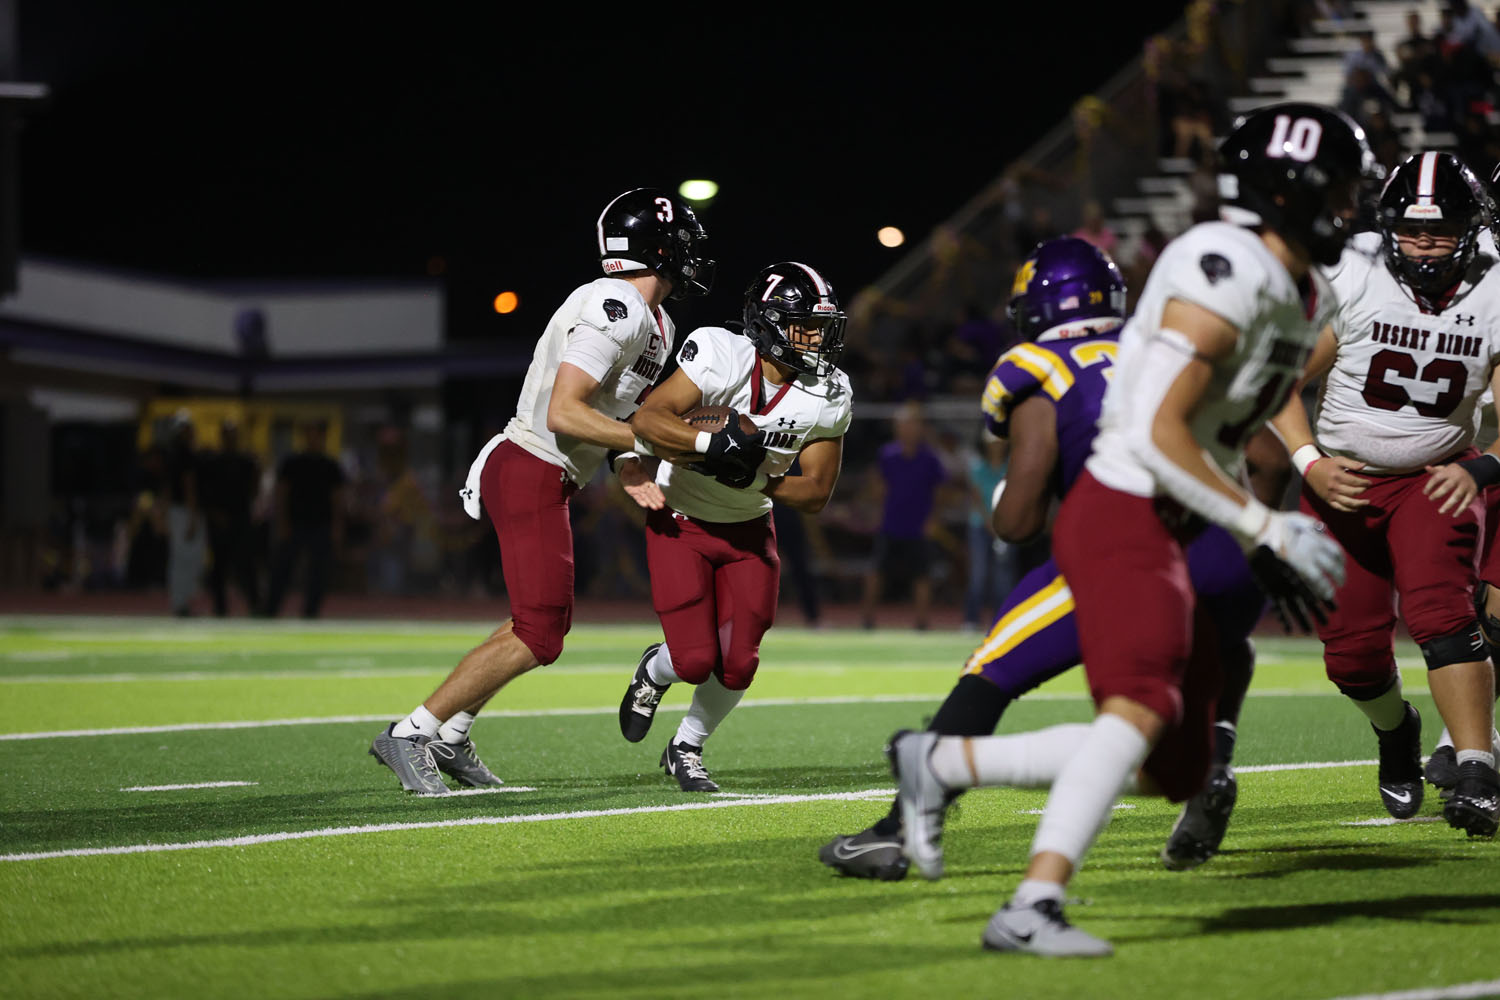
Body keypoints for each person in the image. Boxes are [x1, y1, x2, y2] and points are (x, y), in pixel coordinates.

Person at [887, 103, 1374, 957]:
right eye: (1334, 190)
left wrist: (1260, 523)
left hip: (1181, 514)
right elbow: (1156, 432)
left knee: (1175, 769)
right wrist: (1264, 523)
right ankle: (1031, 904)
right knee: (1139, 706)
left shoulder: (1303, 287)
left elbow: (1243, 415)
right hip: (1124, 509)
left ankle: (940, 765)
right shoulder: (1222, 267)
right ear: (1289, 194)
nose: (1347, 206)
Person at [820, 237, 1265, 883]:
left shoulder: (1040, 364)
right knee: (1220, 640)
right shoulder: (1167, 340)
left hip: (1133, 544)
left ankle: (896, 829)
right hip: (1234, 539)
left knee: (991, 669)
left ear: (1038, 306)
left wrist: (1007, 501)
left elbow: (1019, 518)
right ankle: (1214, 760)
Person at [368, 187, 714, 795]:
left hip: (548, 473)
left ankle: (450, 736)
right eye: (683, 243)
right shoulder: (615, 304)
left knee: (538, 622)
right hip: (530, 462)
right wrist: (656, 445)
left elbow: (611, 420)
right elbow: (564, 410)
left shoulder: (656, 321)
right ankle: (411, 732)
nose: (691, 255)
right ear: (656, 248)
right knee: (540, 633)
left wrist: (630, 465)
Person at [1269, 150, 1500, 835]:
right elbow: (1280, 385)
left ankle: (1479, 769)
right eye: (1409, 229)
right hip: (1342, 482)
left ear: (1470, 229)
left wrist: (1480, 468)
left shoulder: (1493, 286)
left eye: (1439, 230)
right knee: (1352, 659)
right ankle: (1397, 731)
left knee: (1442, 615)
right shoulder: (1353, 273)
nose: (1423, 244)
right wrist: (1309, 462)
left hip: (1435, 478)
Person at [615, 261, 852, 791]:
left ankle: (687, 746)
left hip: (750, 528)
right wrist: (707, 447)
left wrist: (752, 479)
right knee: (696, 659)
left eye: (823, 326)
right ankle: (655, 670)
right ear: (768, 324)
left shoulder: (831, 391)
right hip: (681, 521)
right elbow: (649, 419)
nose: (817, 339)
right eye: (804, 326)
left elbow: (814, 493)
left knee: (739, 664)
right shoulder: (721, 353)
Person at [858, 402, 948, 630]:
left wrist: (933, 519)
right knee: (876, 572)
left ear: (920, 427)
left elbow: (940, 493)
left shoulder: (930, 458)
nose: (907, 428)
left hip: (919, 526)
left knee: (922, 576)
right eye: (903, 424)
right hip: (890, 524)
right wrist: (876, 511)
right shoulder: (887, 455)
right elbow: (878, 487)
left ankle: (922, 623)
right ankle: (866, 620)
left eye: (912, 424)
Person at [261, 419, 346, 619]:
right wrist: (282, 522)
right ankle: (271, 608)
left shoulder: (330, 465)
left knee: (319, 570)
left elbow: (337, 499)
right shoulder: (292, 463)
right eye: (309, 434)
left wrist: (337, 525)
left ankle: (311, 611)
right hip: (295, 523)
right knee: (282, 567)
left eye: (316, 434)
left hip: (321, 524)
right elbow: (281, 494)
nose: (312, 439)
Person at [200, 418, 261, 616]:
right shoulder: (212, 463)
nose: (230, 439)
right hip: (218, 521)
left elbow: (253, 490)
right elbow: (205, 493)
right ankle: (220, 607)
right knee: (219, 566)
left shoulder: (246, 462)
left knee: (245, 564)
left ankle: (255, 604)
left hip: (240, 518)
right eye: (227, 434)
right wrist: (214, 514)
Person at [163, 411, 206, 617]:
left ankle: (182, 602)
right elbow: (188, 486)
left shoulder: (173, 455)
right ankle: (181, 603)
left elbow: (168, 488)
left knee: (183, 558)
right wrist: (192, 516)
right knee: (187, 558)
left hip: (178, 511)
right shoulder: (184, 455)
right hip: (184, 511)